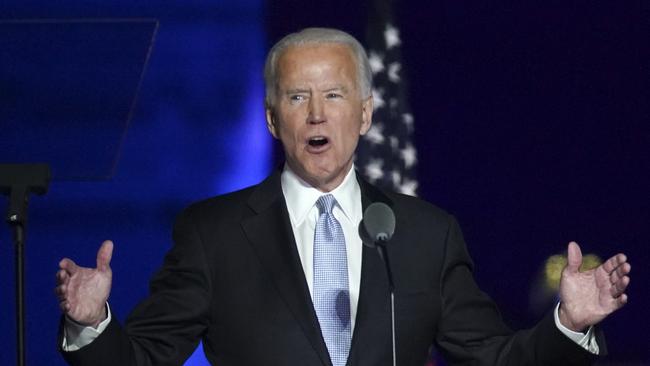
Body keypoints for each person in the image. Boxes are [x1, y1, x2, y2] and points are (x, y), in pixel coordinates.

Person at [55, 28, 631, 366]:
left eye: (333, 94)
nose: (315, 114)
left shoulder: (426, 233)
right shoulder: (214, 233)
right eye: (297, 97)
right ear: (271, 119)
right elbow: (142, 359)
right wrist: (91, 325)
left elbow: (497, 357)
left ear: (364, 113)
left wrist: (568, 324)